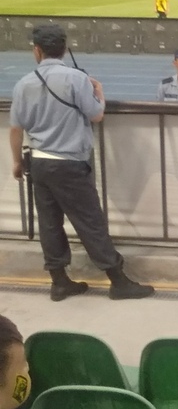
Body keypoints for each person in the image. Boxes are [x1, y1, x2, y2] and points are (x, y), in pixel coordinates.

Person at [8, 24, 154, 301]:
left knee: (49, 224)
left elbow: (16, 129)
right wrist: (99, 91)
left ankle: (59, 281)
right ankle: (118, 280)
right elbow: (96, 114)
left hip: (38, 163)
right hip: (70, 164)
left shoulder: (24, 83)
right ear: (64, 49)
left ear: (37, 51)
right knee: (90, 222)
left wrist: (17, 162)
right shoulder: (76, 79)